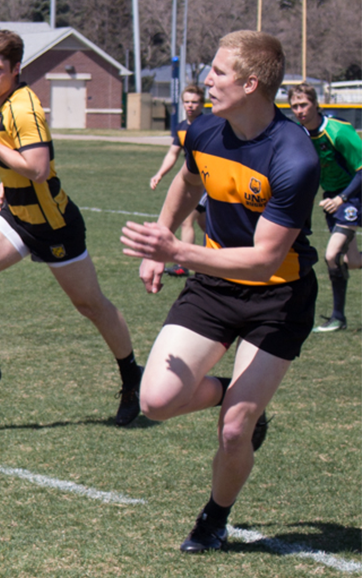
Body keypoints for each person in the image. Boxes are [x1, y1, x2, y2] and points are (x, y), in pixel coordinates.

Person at [121, 31, 320, 553]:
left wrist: (178, 252)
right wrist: (158, 242)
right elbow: (189, 182)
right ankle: (241, 395)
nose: (207, 80)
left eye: (219, 72)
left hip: (278, 297)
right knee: (155, 401)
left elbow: (264, 259)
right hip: (214, 287)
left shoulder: (294, 157)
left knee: (234, 430)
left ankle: (213, 519)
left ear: (251, 84)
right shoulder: (205, 129)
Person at [0, 30, 144, 429]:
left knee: (90, 305)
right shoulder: (5, 103)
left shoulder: (22, 108)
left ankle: (132, 378)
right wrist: (6, 184)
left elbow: (37, 167)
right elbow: (26, 165)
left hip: (53, 225)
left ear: (16, 69)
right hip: (18, 215)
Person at [288, 82, 361, 332]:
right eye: (294, 106)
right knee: (352, 261)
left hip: (353, 195)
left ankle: (338, 318)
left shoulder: (337, 130)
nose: (299, 110)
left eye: (304, 104)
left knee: (331, 255)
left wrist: (342, 198)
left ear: (316, 104)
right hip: (332, 198)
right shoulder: (300, 134)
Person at [149, 85, 208, 277]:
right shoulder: (182, 127)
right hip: (192, 181)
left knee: (187, 220)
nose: (190, 105)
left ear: (202, 104)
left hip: (207, 182)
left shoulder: (209, 125)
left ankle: (183, 265)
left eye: (195, 102)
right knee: (205, 223)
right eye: (187, 102)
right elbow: (173, 153)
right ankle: (219, 256)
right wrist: (159, 174)